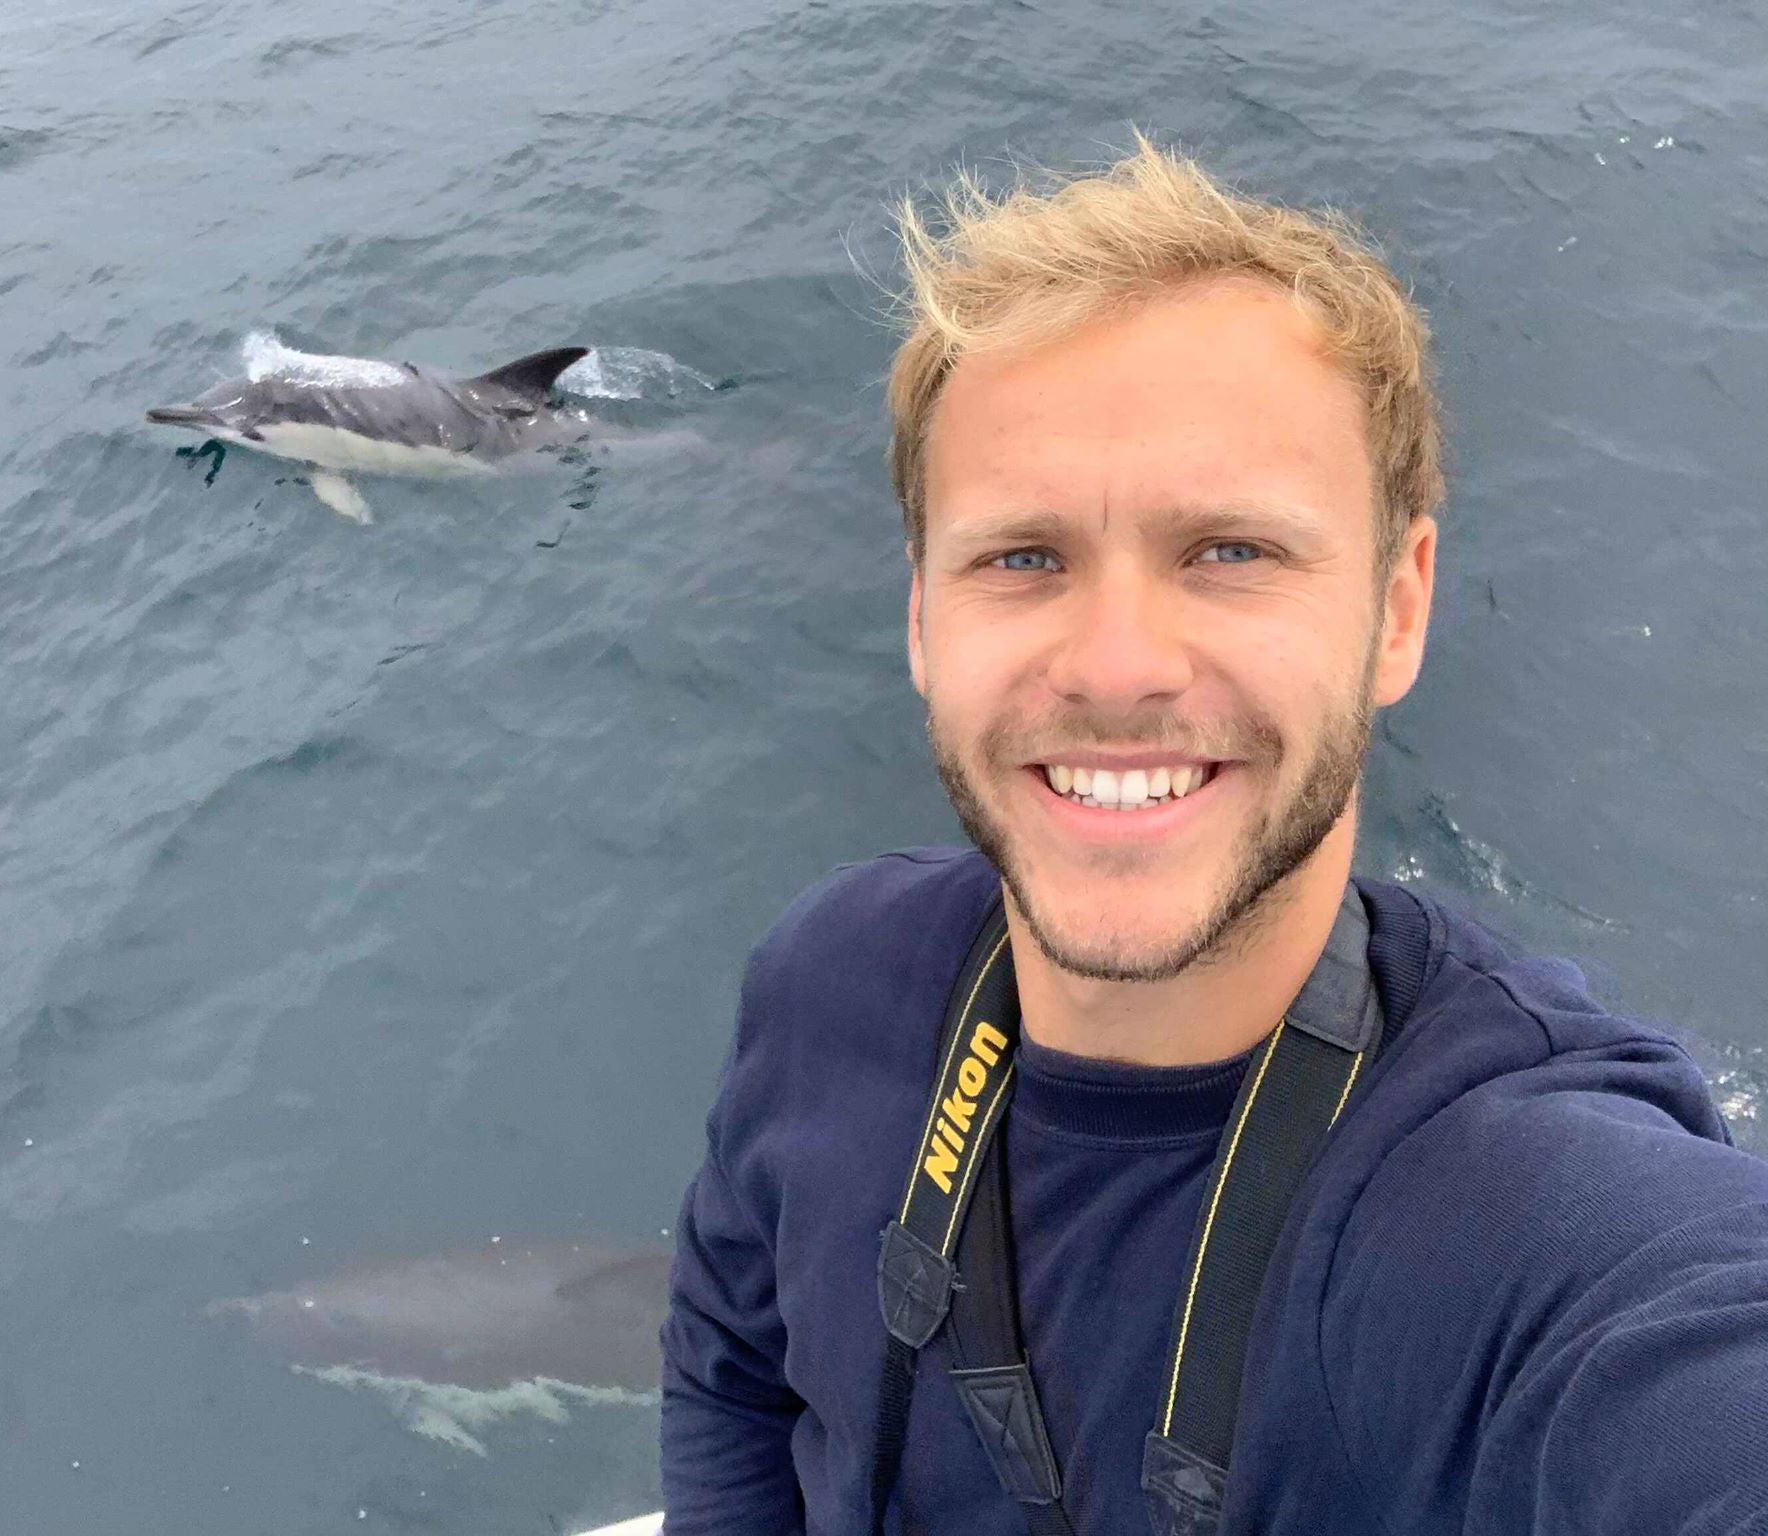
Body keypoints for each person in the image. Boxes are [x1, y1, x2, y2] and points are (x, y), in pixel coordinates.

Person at [658, 137, 1768, 1535]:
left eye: (1231, 550)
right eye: (1023, 556)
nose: (1119, 664)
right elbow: (729, 1366)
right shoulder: (828, 979)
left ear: (1400, 604)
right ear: (923, 617)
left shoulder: (1522, 1213)